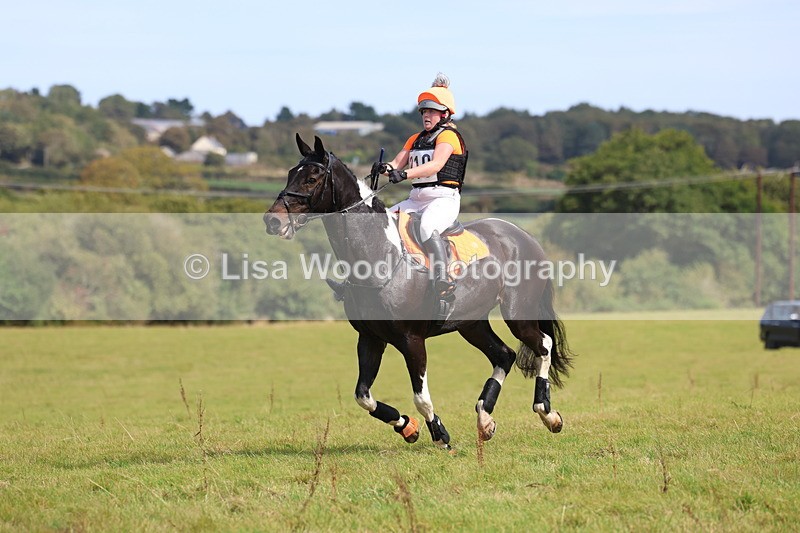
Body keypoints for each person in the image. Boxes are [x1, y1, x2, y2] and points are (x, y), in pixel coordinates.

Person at [372, 73, 468, 302]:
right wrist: (384, 168)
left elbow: (436, 165)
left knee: (426, 227)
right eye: (424, 111)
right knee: (381, 223)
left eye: (432, 111)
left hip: (443, 199)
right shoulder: (415, 138)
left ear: (444, 114)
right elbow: (396, 163)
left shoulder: (449, 136)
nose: (426, 115)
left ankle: (442, 277)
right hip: (416, 198)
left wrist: (404, 174)